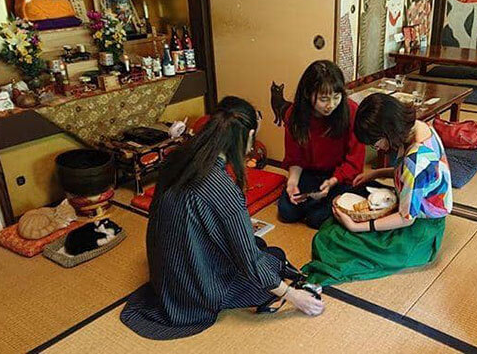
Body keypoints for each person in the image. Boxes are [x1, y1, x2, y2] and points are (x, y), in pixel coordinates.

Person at [120, 96, 324, 340]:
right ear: (248, 136)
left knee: (259, 248)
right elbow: (250, 261)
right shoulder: (221, 187)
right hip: (198, 289)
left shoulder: (178, 159)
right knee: (272, 260)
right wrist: (293, 296)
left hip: (166, 277)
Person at [301, 93, 453, 286]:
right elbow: (408, 176)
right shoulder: (420, 128)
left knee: (334, 240)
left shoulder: (418, 160)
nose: (377, 148)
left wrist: (358, 227)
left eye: (376, 143)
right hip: (408, 206)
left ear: (387, 132)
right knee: (333, 228)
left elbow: (406, 219)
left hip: (419, 232)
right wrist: (375, 173)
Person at [278, 60, 366, 229]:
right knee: (287, 212)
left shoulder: (351, 111)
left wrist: (333, 181)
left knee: (316, 219)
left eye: (336, 97)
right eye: (324, 99)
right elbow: (295, 156)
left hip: (340, 175)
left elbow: (355, 162)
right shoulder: (294, 114)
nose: (331, 105)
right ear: (308, 94)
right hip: (310, 173)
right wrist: (292, 182)